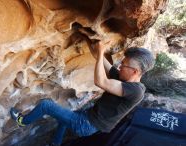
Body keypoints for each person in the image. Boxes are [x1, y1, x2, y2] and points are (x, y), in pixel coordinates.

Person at [10, 37, 155, 146]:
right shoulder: (123, 78)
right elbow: (101, 60)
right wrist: (93, 43)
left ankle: (22, 121)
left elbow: (101, 82)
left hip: (87, 124)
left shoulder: (136, 91)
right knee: (63, 120)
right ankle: (55, 144)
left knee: (46, 105)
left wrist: (101, 52)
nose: (120, 66)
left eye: (124, 65)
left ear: (135, 71)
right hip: (88, 117)